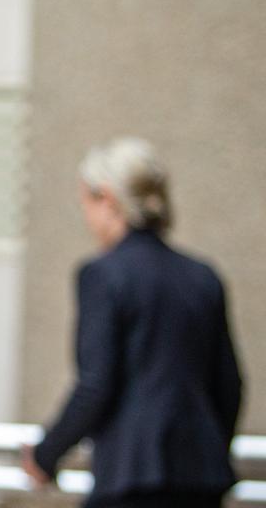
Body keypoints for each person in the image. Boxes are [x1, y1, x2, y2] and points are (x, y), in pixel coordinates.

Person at [22, 138, 242, 508]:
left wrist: (46, 454)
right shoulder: (202, 277)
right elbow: (229, 384)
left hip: (131, 478)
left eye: (87, 203)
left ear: (107, 199)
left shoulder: (103, 275)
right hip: (202, 479)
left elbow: (95, 384)